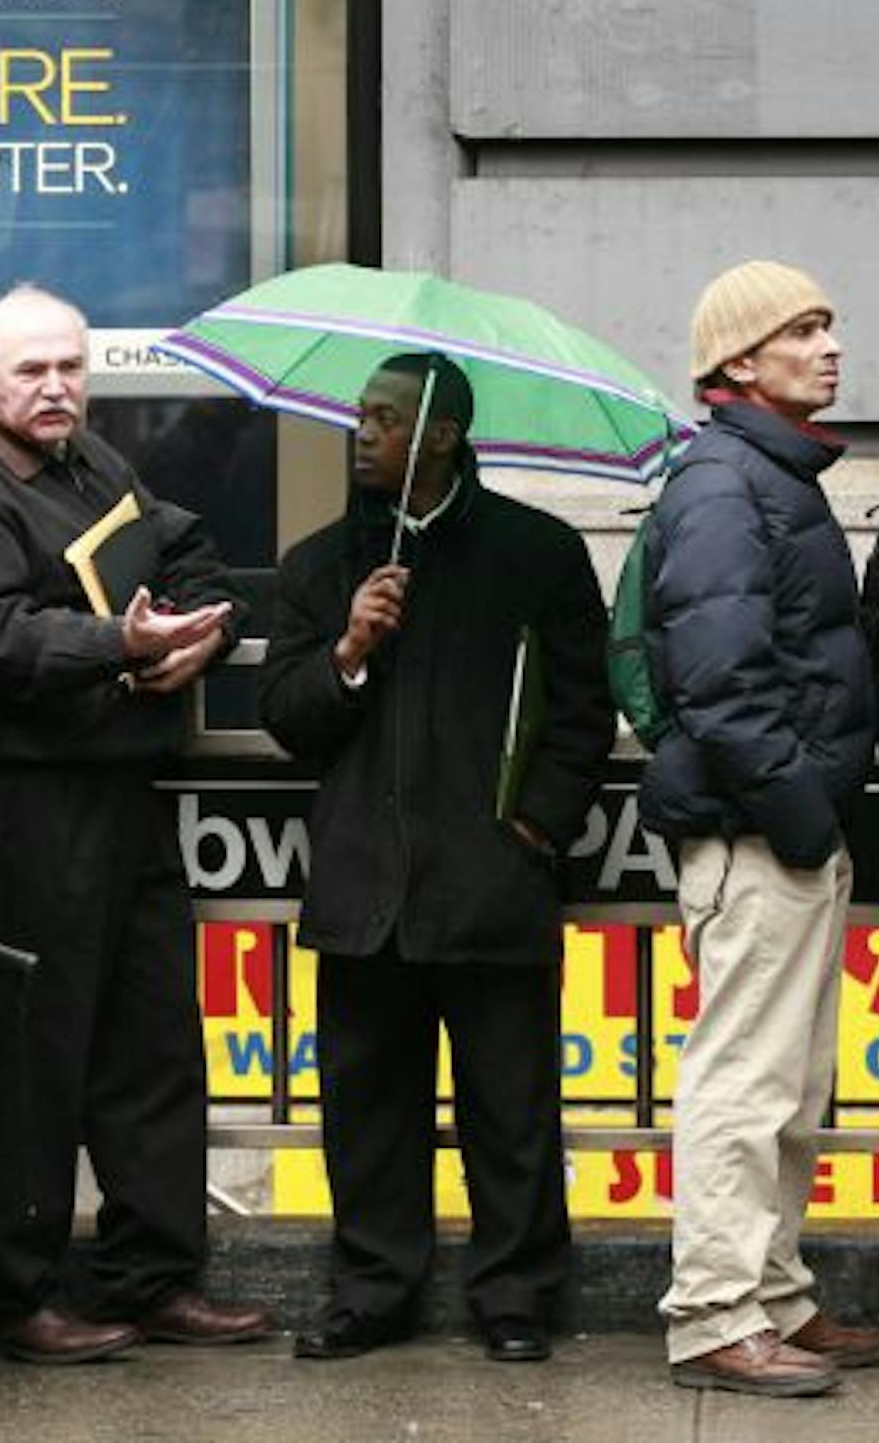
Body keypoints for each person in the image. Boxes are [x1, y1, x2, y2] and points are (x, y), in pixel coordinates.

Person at [0, 285, 270, 1364]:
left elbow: (187, 542)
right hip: (27, 799)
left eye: (71, 365)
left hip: (122, 790)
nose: (58, 386)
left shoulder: (92, 465)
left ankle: (152, 1274)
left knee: (153, 1042)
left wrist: (206, 628)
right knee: (33, 1057)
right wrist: (123, 641)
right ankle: (8, 1297)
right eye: (32, 370)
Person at [260, 353, 614, 1365]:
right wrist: (348, 651)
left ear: (442, 435)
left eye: (384, 418)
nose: (360, 432)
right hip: (366, 889)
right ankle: (374, 1291)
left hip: (491, 883)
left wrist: (533, 829)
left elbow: (583, 712)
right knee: (368, 1112)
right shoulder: (322, 564)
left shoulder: (535, 553)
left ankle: (516, 1296)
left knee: (512, 1113)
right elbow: (290, 718)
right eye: (360, 415)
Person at [638, 261, 879, 1397]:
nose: (828, 346)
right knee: (744, 1085)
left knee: (788, 1083)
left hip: (778, 824)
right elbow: (721, 684)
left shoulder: (765, 473)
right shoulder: (725, 486)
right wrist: (800, 814)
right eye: (802, 329)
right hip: (756, 832)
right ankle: (715, 1316)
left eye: (827, 324)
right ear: (740, 361)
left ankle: (774, 1295)